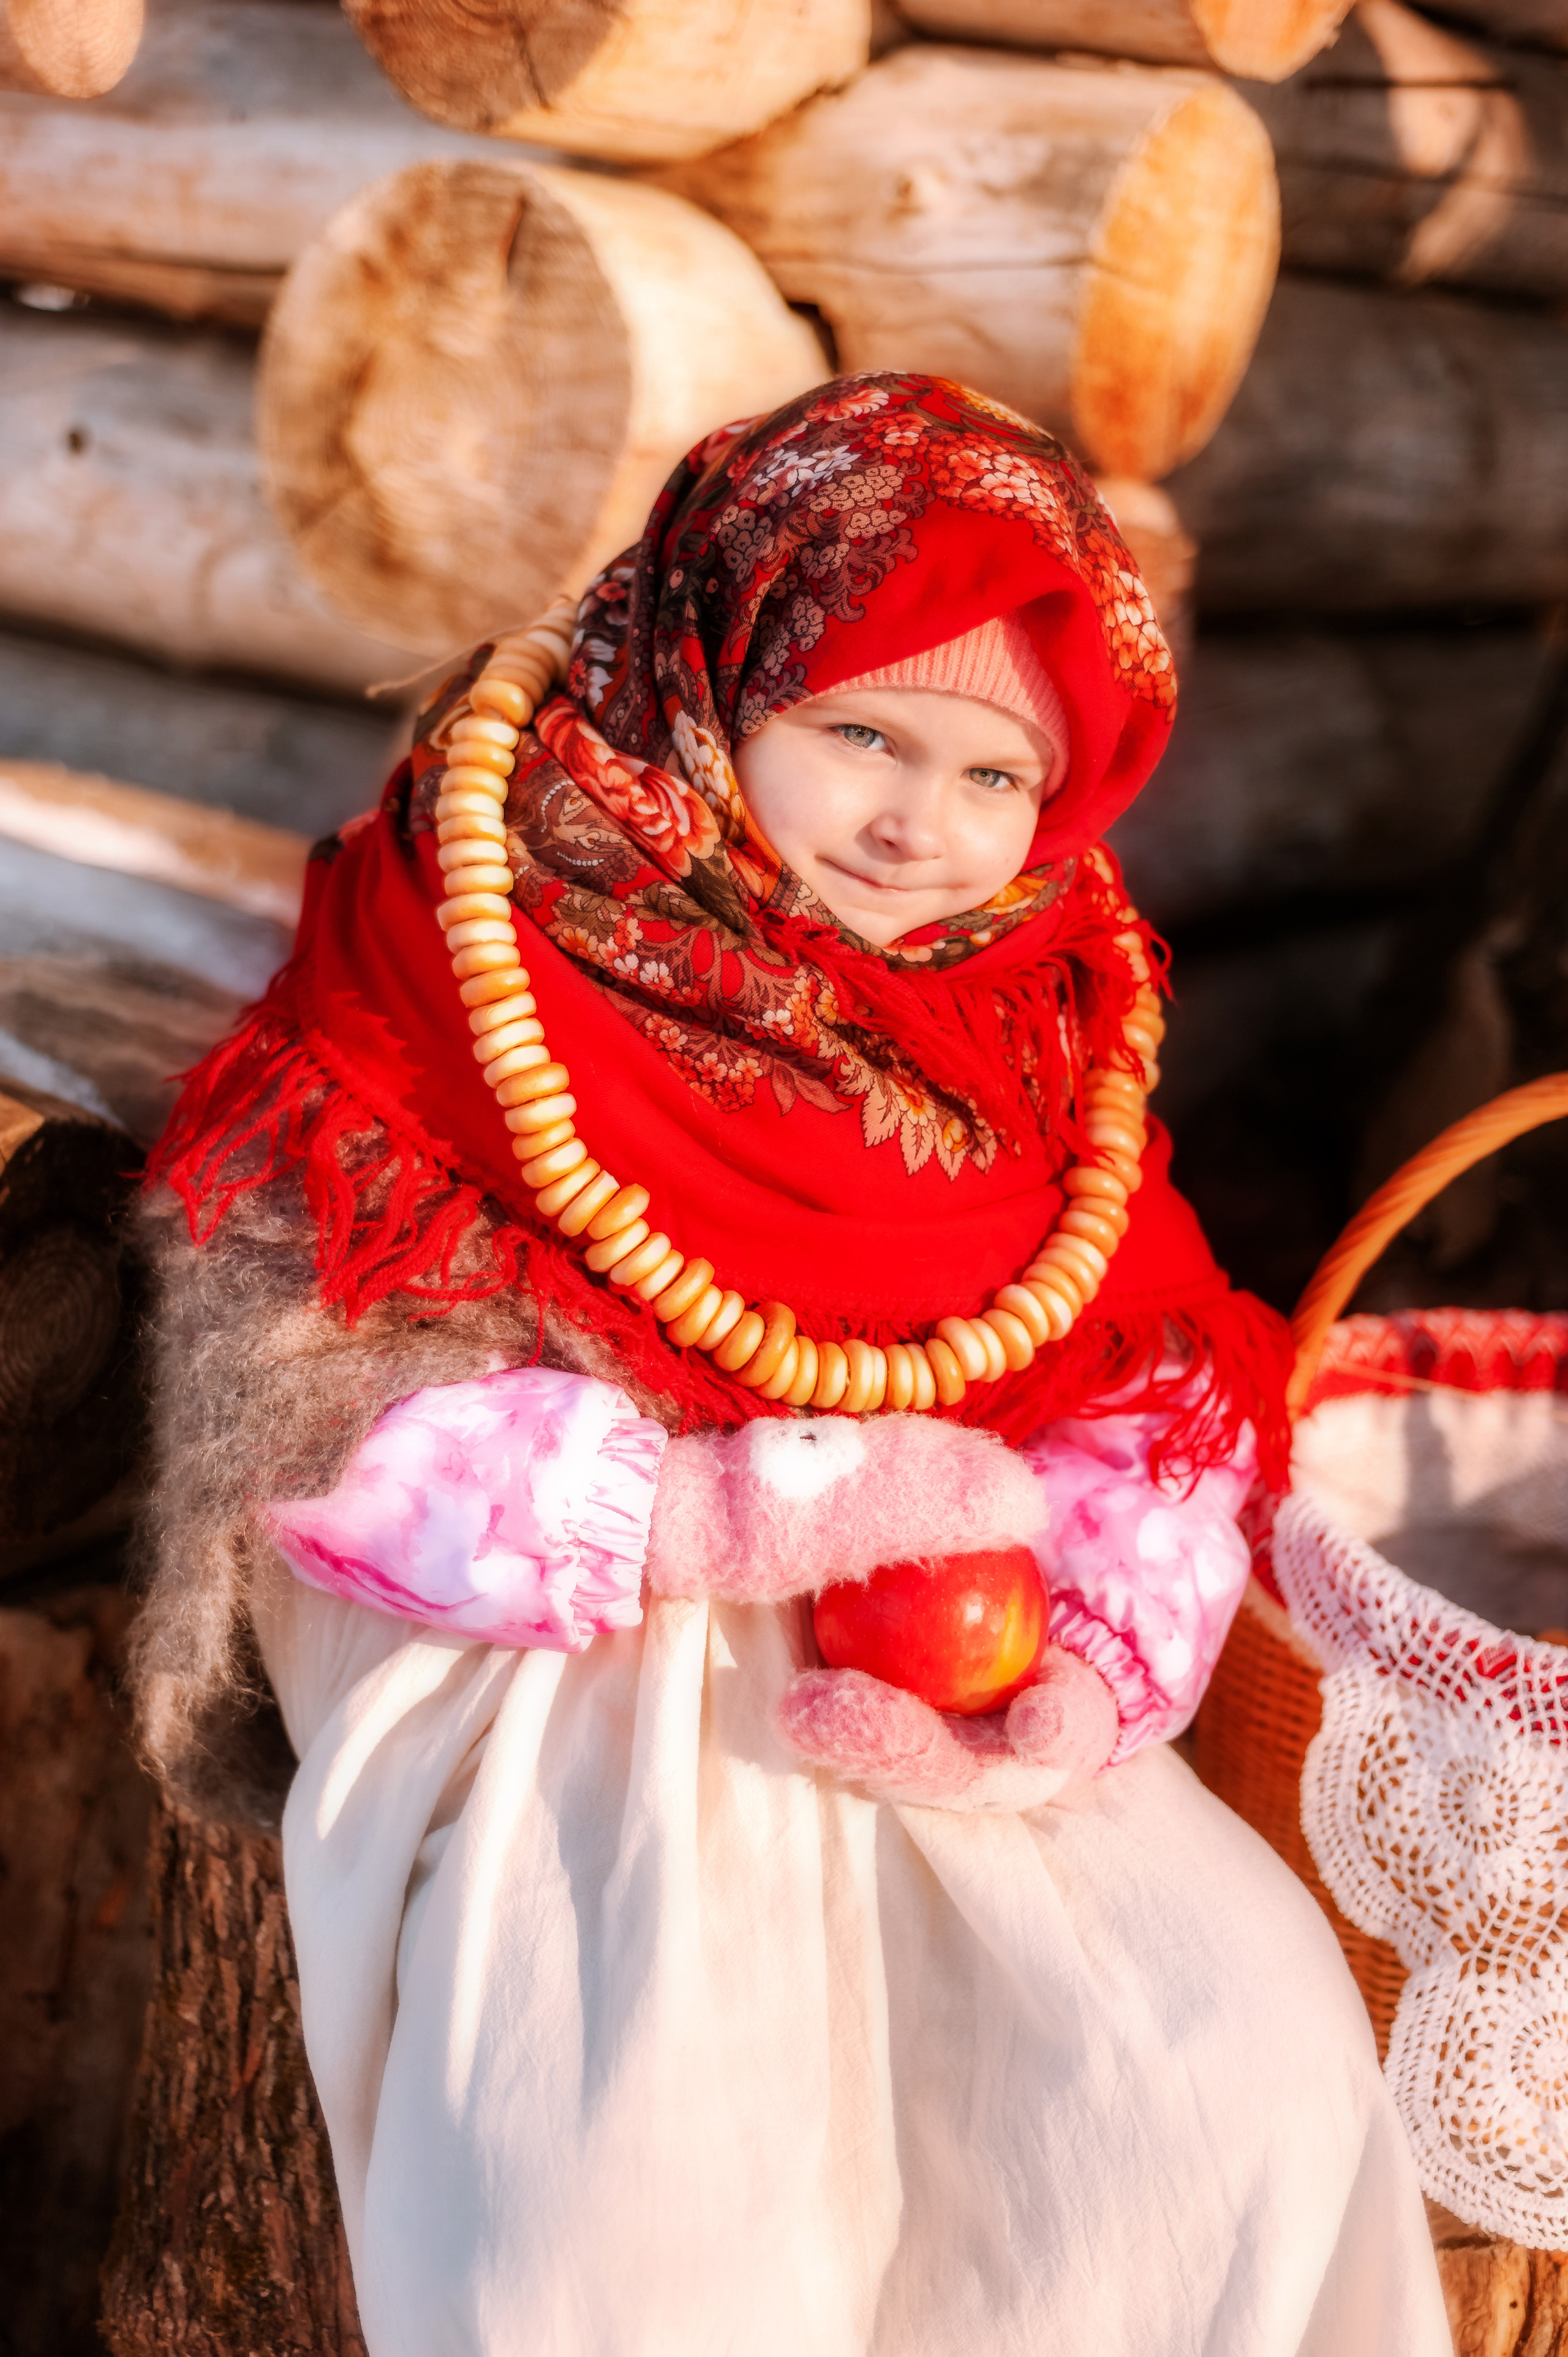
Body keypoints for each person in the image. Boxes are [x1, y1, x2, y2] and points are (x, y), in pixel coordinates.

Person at [134, 374, 1450, 2355]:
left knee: (1221, 2047)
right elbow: (315, 1404)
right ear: (713, 678)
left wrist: (1091, 1668)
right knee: (651, 2130)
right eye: (859, 736)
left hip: (936, 1621)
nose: (926, 827)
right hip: (572, 1624)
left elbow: (1140, 1380)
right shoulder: (488, 933)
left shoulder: (1033, 1015)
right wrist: (714, 1507)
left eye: (997, 776)